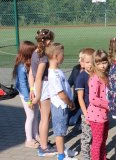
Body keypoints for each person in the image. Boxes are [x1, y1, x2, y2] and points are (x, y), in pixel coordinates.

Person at [45, 42, 77, 160]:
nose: (64, 56)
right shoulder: (53, 74)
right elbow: (61, 94)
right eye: (62, 54)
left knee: (62, 130)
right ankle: (61, 156)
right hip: (59, 106)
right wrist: (70, 102)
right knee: (59, 132)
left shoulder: (57, 71)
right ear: (56, 56)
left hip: (63, 105)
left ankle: (63, 149)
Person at [28, 29, 57, 157]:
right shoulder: (43, 55)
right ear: (48, 41)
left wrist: (32, 89)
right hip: (44, 86)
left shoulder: (35, 52)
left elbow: (30, 74)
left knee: (44, 118)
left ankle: (44, 143)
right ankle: (44, 148)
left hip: (39, 87)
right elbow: (38, 76)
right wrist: (38, 94)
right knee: (45, 118)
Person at [12, 41, 40, 148]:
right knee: (30, 115)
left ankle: (36, 135)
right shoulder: (21, 67)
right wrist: (28, 99)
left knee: (36, 114)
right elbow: (23, 85)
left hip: (33, 92)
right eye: (32, 51)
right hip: (26, 95)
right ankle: (28, 140)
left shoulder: (31, 63)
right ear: (28, 53)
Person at [87, 49, 110, 160]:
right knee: (97, 141)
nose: (102, 66)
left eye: (104, 62)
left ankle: (103, 157)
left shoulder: (104, 76)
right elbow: (93, 99)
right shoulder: (95, 78)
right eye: (99, 63)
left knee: (104, 139)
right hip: (96, 116)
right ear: (94, 64)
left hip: (104, 115)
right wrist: (108, 105)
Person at [75, 48, 95, 160]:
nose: (90, 65)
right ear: (82, 63)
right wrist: (86, 114)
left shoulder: (97, 74)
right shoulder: (81, 77)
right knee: (87, 137)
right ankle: (86, 157)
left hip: (97, 112)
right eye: (87, 62)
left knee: (96, 136)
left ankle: (96, 155)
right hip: (87, 112)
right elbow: (80, 98)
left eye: (92, 62)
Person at [68, 49, 85, 129]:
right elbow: (69, 83)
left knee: (74, 121)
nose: (78, 60)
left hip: (86, 101)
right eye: (79, 58)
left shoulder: (92, 72)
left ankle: (82, 121)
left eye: (81, 59)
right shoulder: (76, 69)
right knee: (70, 121)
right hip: (76, 100)